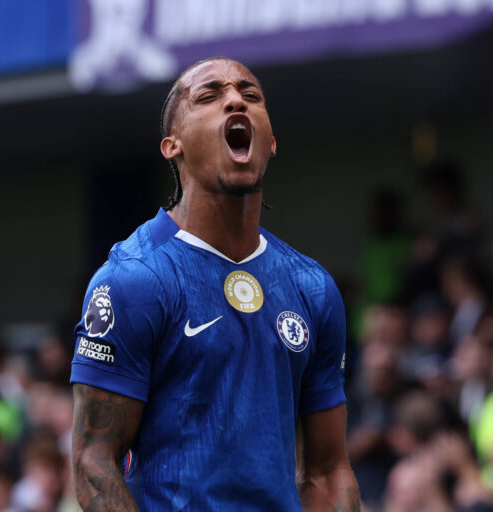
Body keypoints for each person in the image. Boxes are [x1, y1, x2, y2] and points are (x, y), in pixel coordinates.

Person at [70, 57, 360, 510]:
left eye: (251, 95)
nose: (234, 101)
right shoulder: (134, 280)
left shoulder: (312, 288)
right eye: (209, 95)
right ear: (173, 146)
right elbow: (94, 460)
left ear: (272, 142)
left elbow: (328, 470)